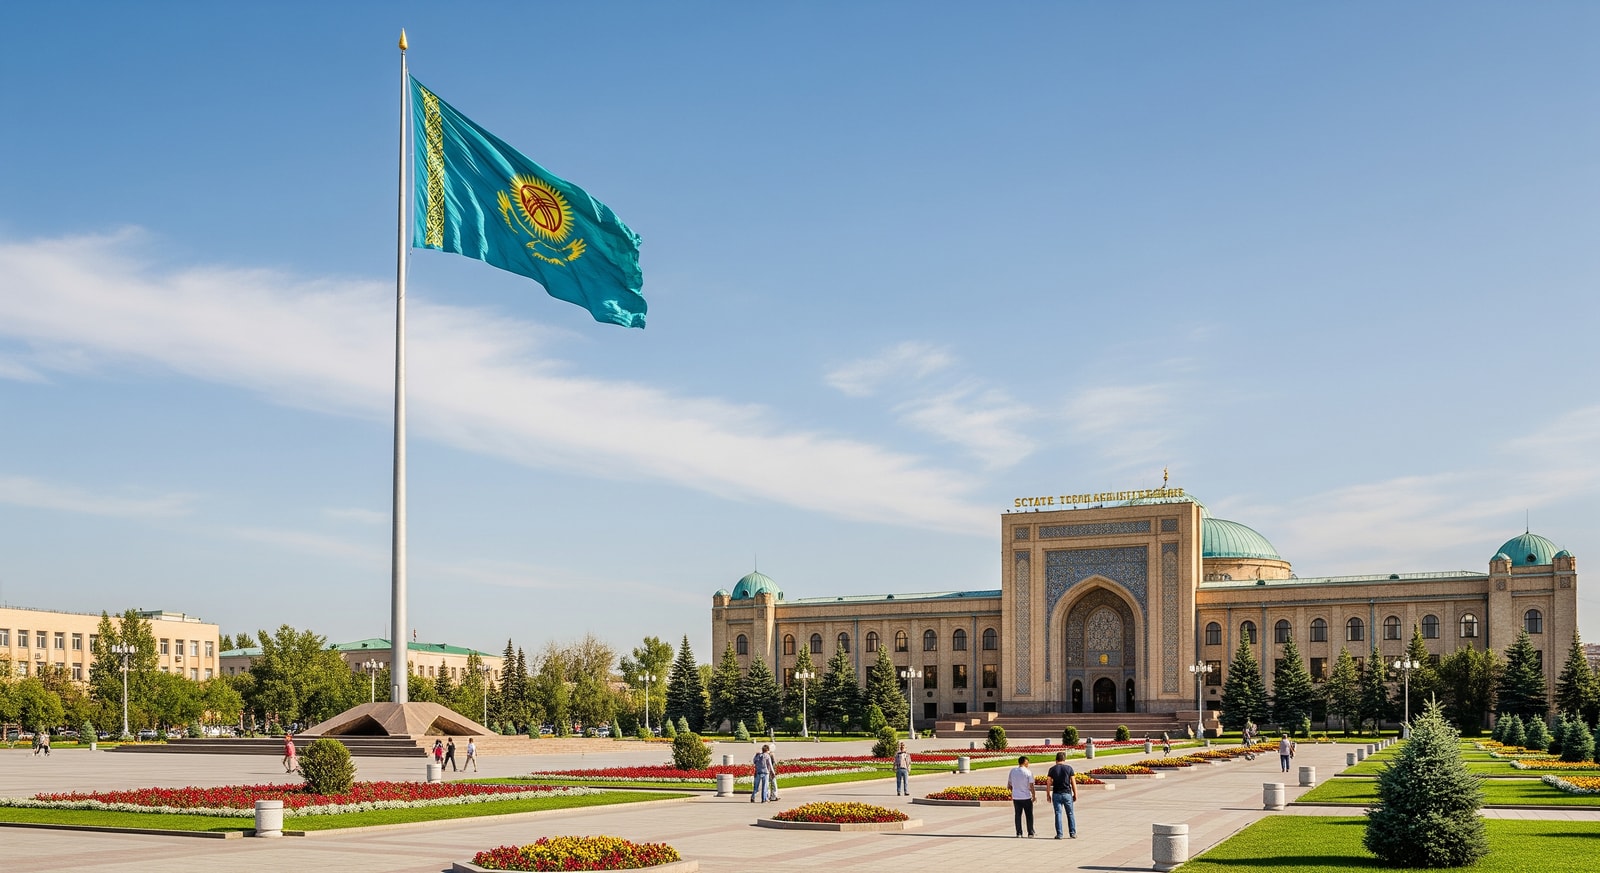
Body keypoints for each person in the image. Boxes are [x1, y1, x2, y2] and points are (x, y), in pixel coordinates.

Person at [1046, 751, 1078, 839]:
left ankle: (1059, 834)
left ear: (1056, 759)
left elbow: (1048, 782)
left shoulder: (1052, 769)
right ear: (1064, 759)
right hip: (1067, 793)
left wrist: (1048, 794)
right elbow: (1073, 782)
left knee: (1058, 814)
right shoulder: (1069, 768)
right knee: (1070, 813)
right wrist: (1075, 794)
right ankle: (1072, 833)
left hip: (1056, 794)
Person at [1007, 755, 1035, 838]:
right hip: (1026, 797)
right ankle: (1030, 832)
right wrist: (1034, 795)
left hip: (1016, 797)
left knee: (1017, 815)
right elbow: (1031, 785)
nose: (1028, 764)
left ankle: (1019, 832)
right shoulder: (1028, 772)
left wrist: (1013, 792)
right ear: (1025, 762)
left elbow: (1009, 785)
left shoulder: (1013, 771)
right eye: (1028, 762)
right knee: (1029, 815)